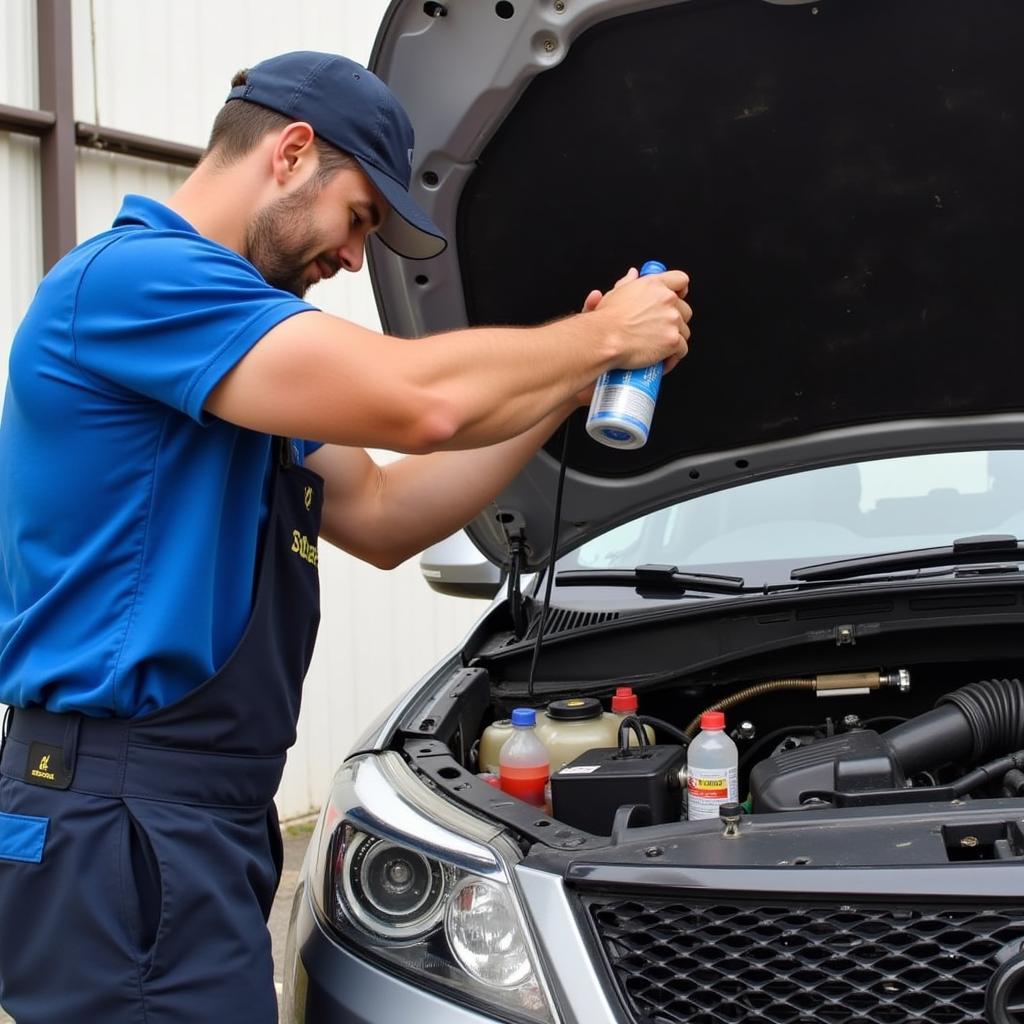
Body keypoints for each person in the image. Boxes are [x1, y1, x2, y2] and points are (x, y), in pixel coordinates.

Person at [0, 51, 691, 1022]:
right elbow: (419, 404)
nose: (353, 259)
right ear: (290, 153)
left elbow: (383, 511)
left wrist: (569, 388)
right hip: (123, 811)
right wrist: (602, 339)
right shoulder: (140, 283)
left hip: (188, 813)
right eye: (359, 217)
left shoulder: (225, 349)